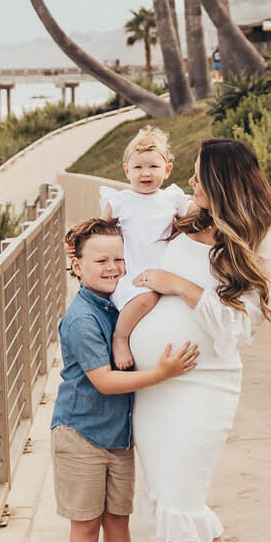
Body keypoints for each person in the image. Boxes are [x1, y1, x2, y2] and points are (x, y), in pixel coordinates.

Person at [129, 137, 271, 542]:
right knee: (164, 500)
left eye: (198, 177)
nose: (190, 184)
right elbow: (130, 218)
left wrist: (180, 285)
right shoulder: (187, 221)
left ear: (221, 182)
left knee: (185, 497)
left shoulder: (264, 244)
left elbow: (238, 330)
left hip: (203, 386)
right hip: (156, 388)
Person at [54, 216, 198, 542]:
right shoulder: (81, 317)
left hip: (117, 435)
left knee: (118, 522)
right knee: (86, 527)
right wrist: (162, 374)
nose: (113, 266)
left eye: (119, 257)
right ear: (76, 265)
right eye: (100, 259)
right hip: (80, 433)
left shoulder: (117, 304)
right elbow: (103, 381)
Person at [99, 127, 190, 372]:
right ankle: (121, 337)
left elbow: (194, 219)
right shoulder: (120, 201)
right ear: (127, 170)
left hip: (164, 270)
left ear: (167, 170)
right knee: (147, 296)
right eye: (138, 167)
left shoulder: (172, 199)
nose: (145, 173)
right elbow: (98, 230)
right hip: (135, 275)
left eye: (153, 167)